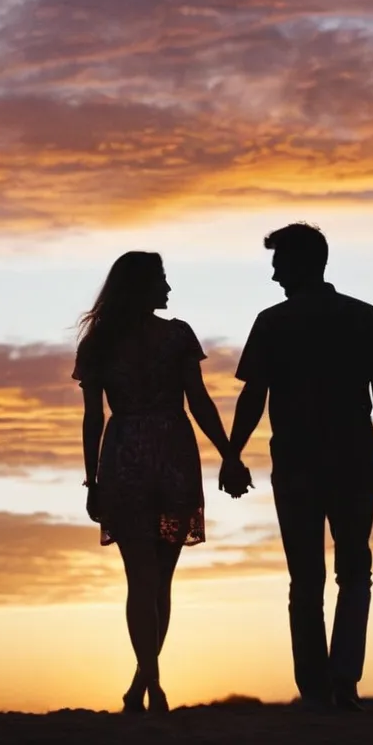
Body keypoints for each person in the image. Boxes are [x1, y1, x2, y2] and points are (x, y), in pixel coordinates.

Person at [228, 223, 373, 712]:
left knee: (308, 577)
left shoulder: (274, 322)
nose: (274, 274)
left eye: (279, 263)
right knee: (353, 569)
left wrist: (233, 453)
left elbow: (253, 396)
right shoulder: (360, 316)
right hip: (349, 458)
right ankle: (340, 682)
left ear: (304, 263)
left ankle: (318, 688)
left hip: (305, 462)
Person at [73, 251, 251, 715]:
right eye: (162, 280)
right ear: (143, 286)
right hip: (172, 451)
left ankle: (145, 683)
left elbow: (95, 418)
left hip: (126, 453)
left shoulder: (99, 342)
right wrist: (228, 453)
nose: (169, 290)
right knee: (159, 582)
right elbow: (199, 403)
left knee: (144, 579)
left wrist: (92, 478)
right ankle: (150, 685)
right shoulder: (176, 336)